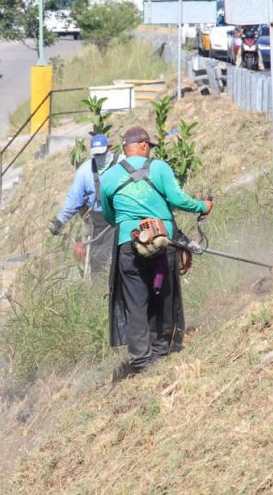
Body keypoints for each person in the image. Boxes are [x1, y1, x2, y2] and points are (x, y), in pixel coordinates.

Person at [100, 126, 212, 376]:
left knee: (135, 301)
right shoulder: (159, 168)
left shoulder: (108, 177)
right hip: (162, 242)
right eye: (148, 147)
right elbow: (178, 199)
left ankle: (141, 359)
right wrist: (201, 206)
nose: (149, 151)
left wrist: (131, 223)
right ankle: (161, 349)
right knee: (163, 294)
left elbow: (109, 216)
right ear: (142, 145)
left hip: (129, 244)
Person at [48, 134, 120, 275]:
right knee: (98, 262)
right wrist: (60, 221)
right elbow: (74, 199)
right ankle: (99, 287)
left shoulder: (123, 164)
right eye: (96, 155)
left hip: (120, 219)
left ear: (110, 148)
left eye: (102, 153)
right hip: (98, 224)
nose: (99, 157)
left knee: (116, 258)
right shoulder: (85, 171)